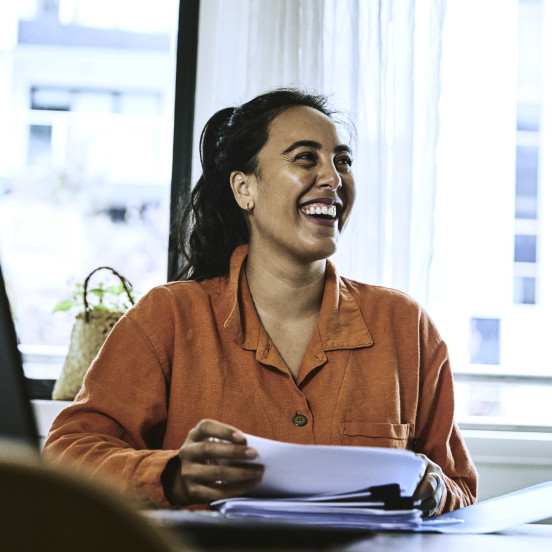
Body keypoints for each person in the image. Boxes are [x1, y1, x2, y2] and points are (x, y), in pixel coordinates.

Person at [44, 88, 477, 517]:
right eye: (306, 157)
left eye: (342, 161)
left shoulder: (406, 326)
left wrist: (437, 490)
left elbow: (458, 484)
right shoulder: (168, 318)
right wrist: (173, 474)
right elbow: (69, 453)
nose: (333, 178)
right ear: (244, 188)